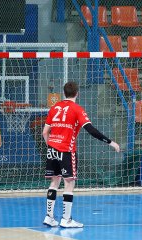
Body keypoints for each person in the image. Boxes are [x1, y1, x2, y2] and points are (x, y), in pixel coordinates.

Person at [42, 81, 120, 228]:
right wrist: (111, 142)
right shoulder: (77, 109)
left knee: (54, 182)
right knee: (69, 183)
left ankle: (49, 217)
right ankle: (66, 219)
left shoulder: (54, 108)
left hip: (52, 148)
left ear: (64, 93)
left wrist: (51, 147)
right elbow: (91, 130)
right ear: (77, 93)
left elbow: (45, 132)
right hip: (66, 149)